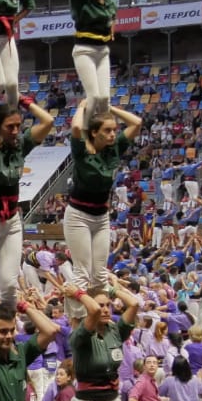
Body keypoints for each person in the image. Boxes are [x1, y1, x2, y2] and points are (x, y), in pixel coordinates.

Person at [0, 98, 54, 308]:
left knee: (9, 284)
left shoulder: (19, 146)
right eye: (10, 126)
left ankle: (7, 334)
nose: (16, 130)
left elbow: (48, 122)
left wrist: (25, 102)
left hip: (11, 222)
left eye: (19, 125)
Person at [64, 103, 141, 299]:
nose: (113, 134)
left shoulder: (114, 148)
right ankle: (77, 319)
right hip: (78, 216)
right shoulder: (81, 150)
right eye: (107, 130)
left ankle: (99, 316)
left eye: (114, 130)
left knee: (99, 274)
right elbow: (75, 128)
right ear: (94, 132)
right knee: (82, 272)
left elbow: (137, 122)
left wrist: (110, 107)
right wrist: (82, 107)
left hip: (101, 217)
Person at [66, 0, 115, 120]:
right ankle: (85, 136)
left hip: (103, 51)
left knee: (104, 99)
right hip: (84, 50)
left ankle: (103, 137)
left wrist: (112, 29)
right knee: (93, 97)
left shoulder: (109, 2)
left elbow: (112, 17)